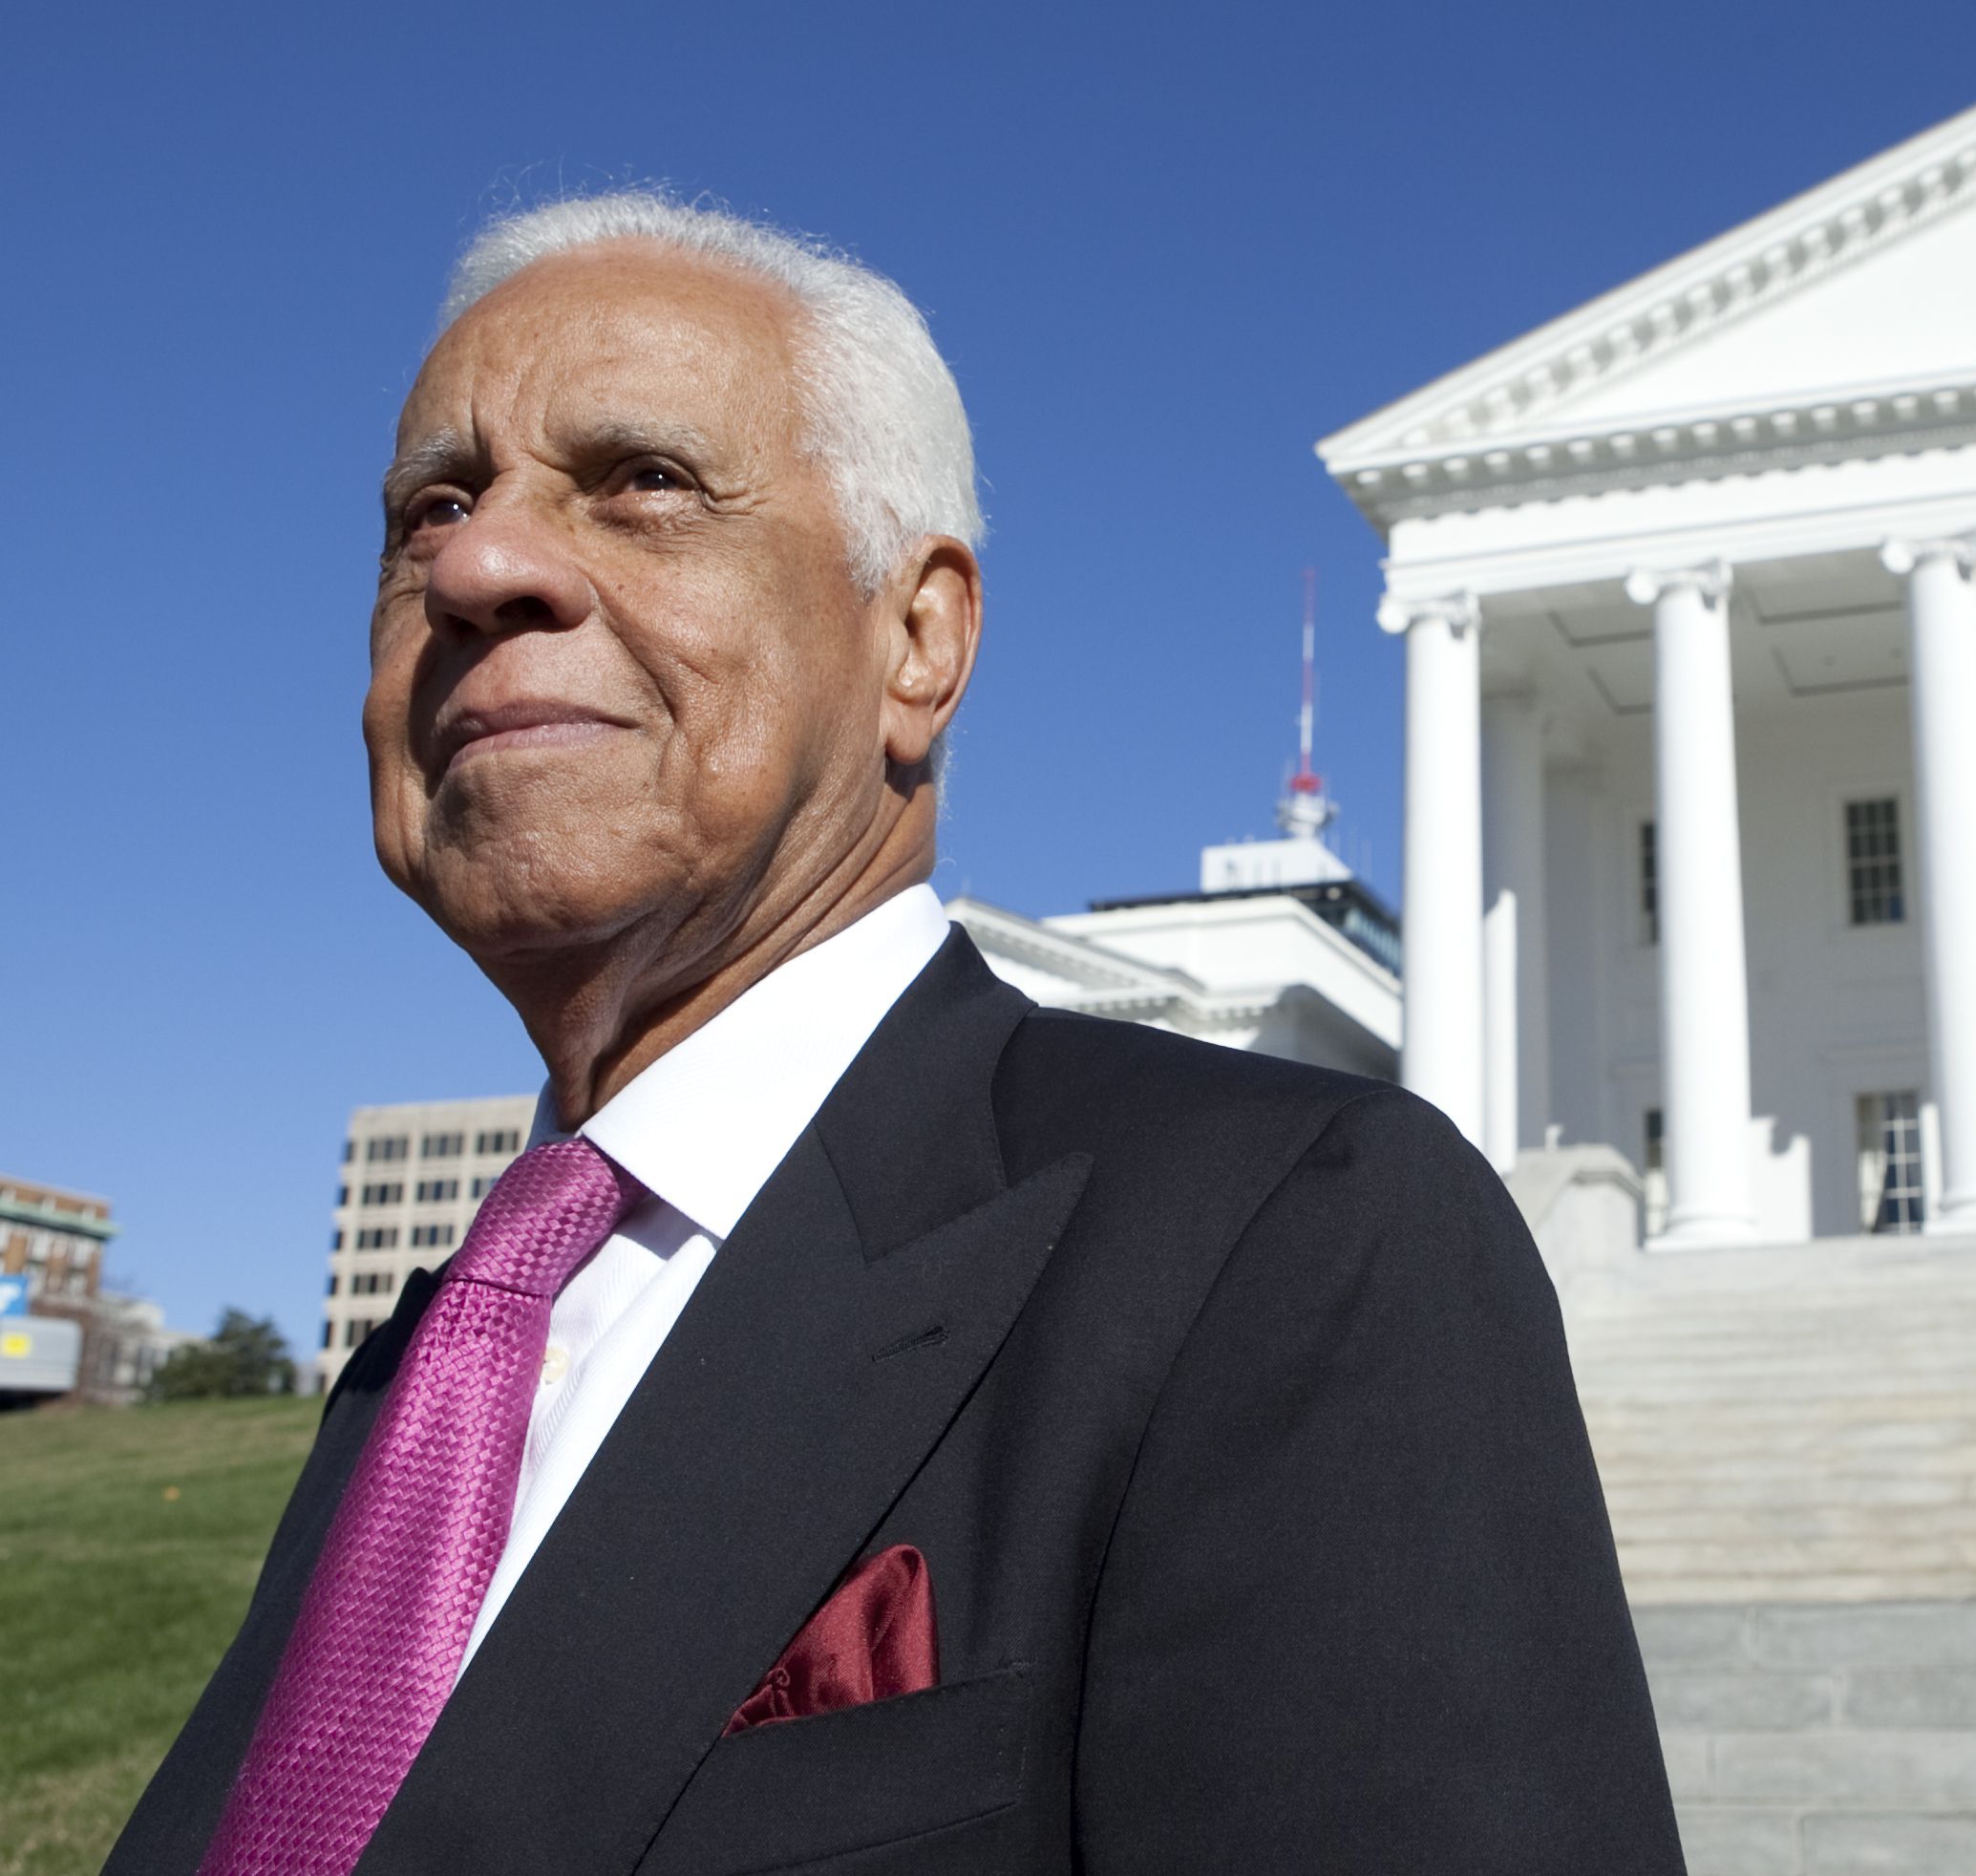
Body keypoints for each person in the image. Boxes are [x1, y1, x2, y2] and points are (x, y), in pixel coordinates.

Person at [108, 193, 1684, 1876]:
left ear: (917, 640)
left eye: (642, 480)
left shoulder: (1288, 1238)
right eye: (432, 506)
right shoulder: (430, 1367)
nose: (478, 564)